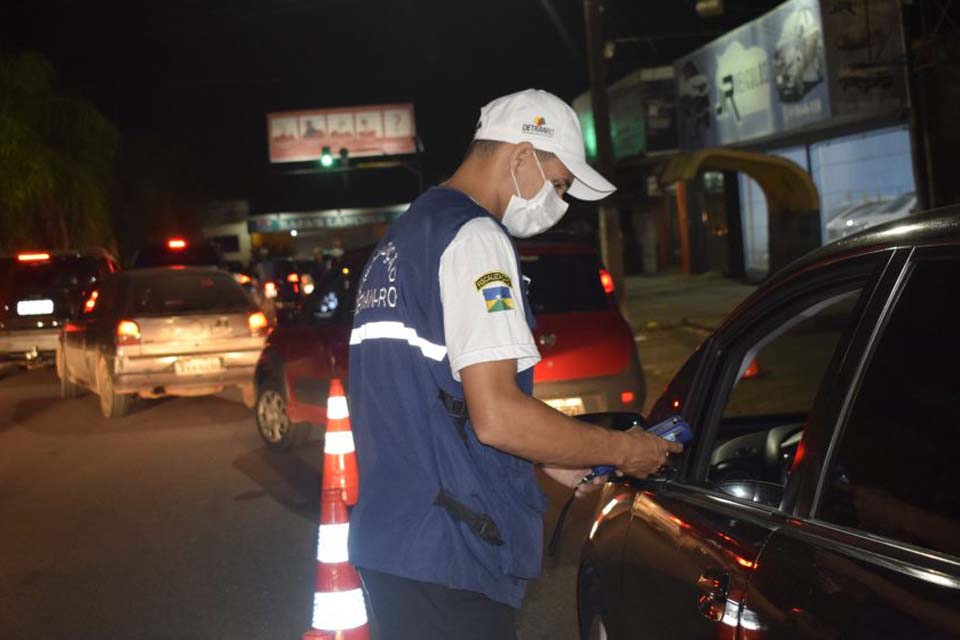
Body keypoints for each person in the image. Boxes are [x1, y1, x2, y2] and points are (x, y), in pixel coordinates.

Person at [347, 89, 682, 639]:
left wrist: (553, 453)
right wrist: (623, 450)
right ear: (522, 155)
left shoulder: (408, 235)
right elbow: (497, 416)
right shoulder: (475, 238)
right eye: (559, 184)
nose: (559, 201)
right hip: (448, 548)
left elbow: (437, 396)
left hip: (397, 539)